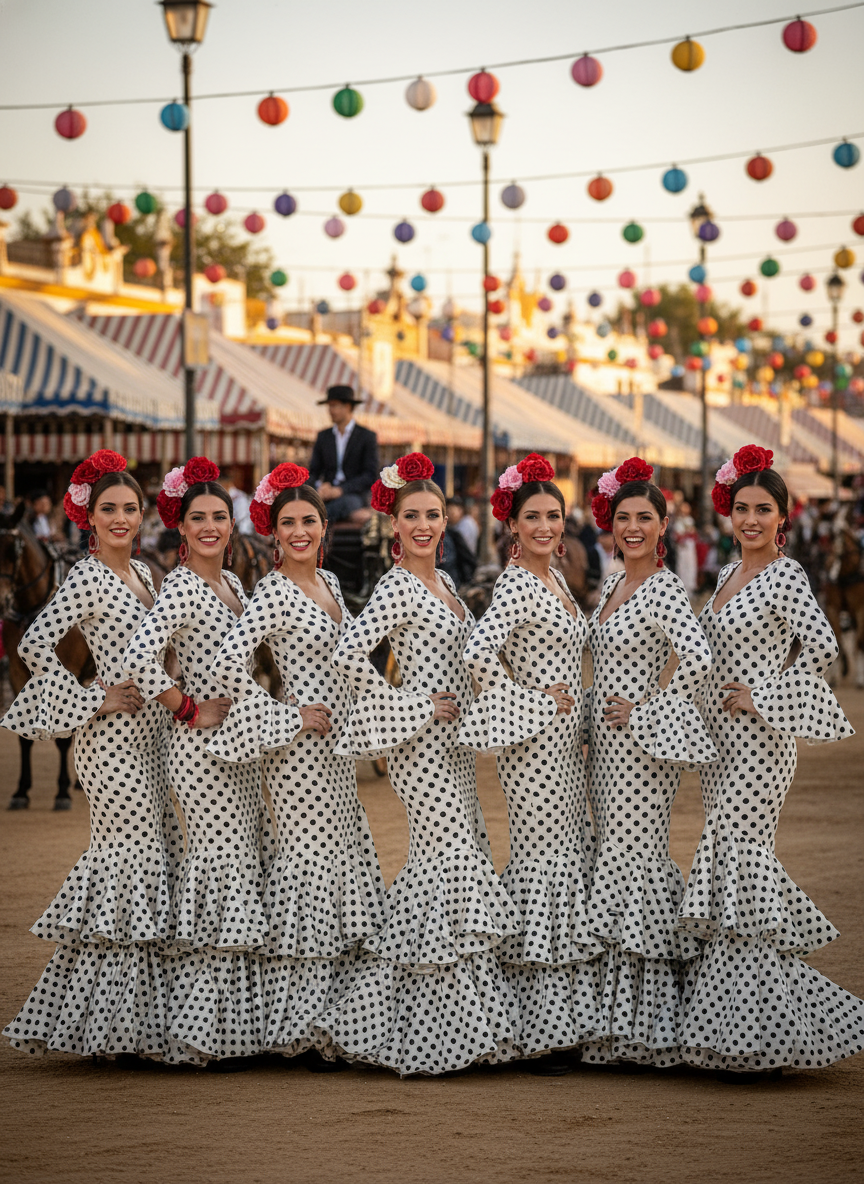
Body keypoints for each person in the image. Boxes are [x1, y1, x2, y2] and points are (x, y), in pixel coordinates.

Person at [315, 453, 521, 1076]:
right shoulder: (397, 586)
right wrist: (409, 706)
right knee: (448, 861)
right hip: (420, 750)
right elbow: (349, 655)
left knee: (454, 860)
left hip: (455, 749)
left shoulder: (448, 584)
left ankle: (452, 1023)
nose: (424, 525)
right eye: (412, 516)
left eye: (433, 514)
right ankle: (420, 1029)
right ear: (394, 524)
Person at [677, 447, 863, 1078]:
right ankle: (743, 1029)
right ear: (729, 513)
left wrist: (766, 696)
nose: (750, 519)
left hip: (761, 745)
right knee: (731, 866)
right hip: (717, 745)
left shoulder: (786, 576)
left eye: (763, 509)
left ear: (783, 517)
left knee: (738, 857)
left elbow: (823, 646)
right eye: (742, 508)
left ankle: (759, 1036)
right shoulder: (728, 572)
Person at [207, 463, 386, 1069]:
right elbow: (229, 665)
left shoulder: (330, 584)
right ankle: (297, 1025)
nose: (300, 531)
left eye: (309, 520)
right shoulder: (273, 591)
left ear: (324, 527)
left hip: (336, 753)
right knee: (308, 868)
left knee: (338, 861)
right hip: (298, 754)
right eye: (289, 523)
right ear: (274, 532)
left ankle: (333, 1016)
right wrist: (286, 717)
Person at [2, 450, 177, 1060]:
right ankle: (114, 1027)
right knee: (131, 863)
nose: (121, 518)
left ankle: (132, 1020)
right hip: (110, 746)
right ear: (90, 517)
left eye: (130, 508)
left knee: (152, 862)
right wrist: (90, 699)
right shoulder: (86, 576)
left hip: (153, 739)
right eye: (109, 509)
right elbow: (33, 643)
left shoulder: (148, 575)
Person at [459, 454, 602, 1075]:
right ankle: (539, 1027)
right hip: (535, 749)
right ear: (512, 525)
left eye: (553, 515)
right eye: (533, 517)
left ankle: (558, 1016)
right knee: (544, 864)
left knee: (561, 861)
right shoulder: (518, 582)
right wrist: (530, 703)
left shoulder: (556, 578)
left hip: (564, 747)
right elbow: (479, 654)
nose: (545, 525)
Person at [124, 457, 268, 1069]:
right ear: (180, 527)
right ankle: (199, 1032)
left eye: (219, 517)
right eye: (198, 518)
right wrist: (186, 708)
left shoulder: (234, 584)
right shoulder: (181, 586)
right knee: (220, 868)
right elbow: (139, 656)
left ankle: (234, 1027)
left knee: (242, 864)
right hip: (200, 753)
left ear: (232, 526)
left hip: (242, 747)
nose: (210, 526)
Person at [582, 458, 717, 1068]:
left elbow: (697, 659)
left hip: (643, 751)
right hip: (606, 751)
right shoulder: (612, 584)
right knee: (614, 856)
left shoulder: (663, 588)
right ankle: (616, 1018)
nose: (632, 527)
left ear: (664, 526)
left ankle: (649, 1025)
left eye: (644, 518)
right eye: (623, 517)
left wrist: (648, 710)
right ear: (611, 524)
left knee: (636, 860)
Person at [308, 385, 379, 524]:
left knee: (342, 505)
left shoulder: (366, 436)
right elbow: (313, 471)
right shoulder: (323, 436)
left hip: (353, 495)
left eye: (334, 406)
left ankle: (315, 522)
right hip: (325, 494)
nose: (330, 410)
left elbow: (370, 475)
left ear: (347, 407)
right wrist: (319, 488)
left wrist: (340, 490)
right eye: (329, 406)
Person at [223, 466, 253, 535]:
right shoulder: (221, 496)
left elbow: (240, 519)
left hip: (241, 534)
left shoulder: (240, 497)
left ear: (228, 483)